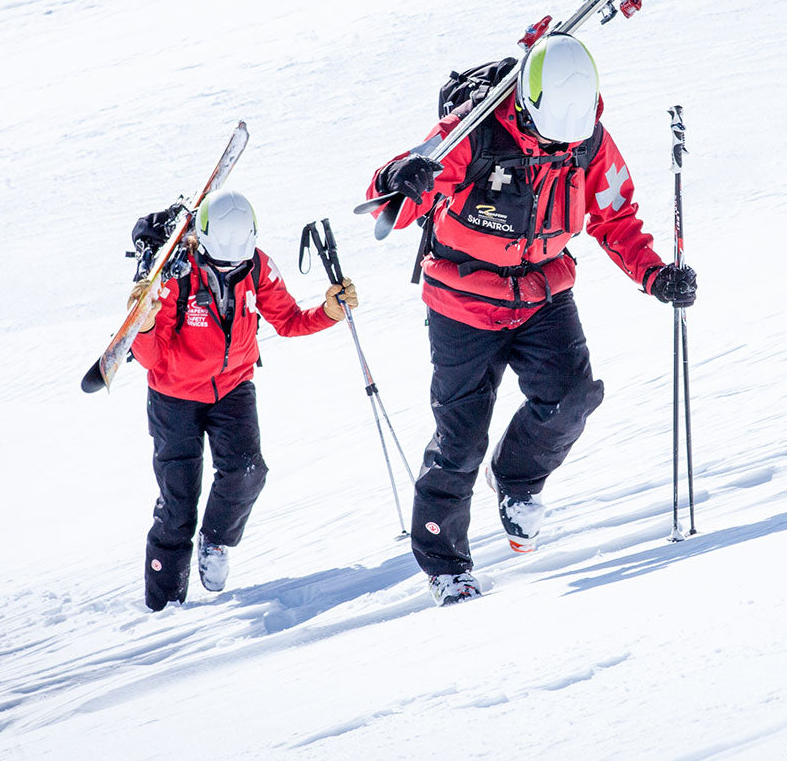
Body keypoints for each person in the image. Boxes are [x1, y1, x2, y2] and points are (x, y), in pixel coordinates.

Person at [366, 34, 696, 606]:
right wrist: (404, 181)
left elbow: (616, 217)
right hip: (463, 300)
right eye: (545, 134)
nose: (554, 146)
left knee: (573, 396)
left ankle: (517, 482)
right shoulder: (477, 130)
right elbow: (395, 194)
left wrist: (654, 274)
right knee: (460, 440)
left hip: (543, 291)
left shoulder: (588, 142)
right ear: (525, 101)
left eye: (565, 138)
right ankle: (446, 565)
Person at [128, 187, 357, 611]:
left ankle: (215, 542)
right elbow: (151, 357)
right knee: (178, 504)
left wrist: (329, 313)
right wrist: (142, 326)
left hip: (233, 386)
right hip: (173, 396)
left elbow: (287, 321)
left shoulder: (258, 266)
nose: (233, 266)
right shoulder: (176, 274)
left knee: (247, 471)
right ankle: (161, 608)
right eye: (222, 260)